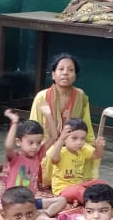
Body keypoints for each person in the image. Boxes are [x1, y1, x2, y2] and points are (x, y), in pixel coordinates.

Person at [29, 53, 96, 187]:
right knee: (51, 153)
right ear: (53, 75)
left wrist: (91, 144)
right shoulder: (42, 97)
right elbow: (33, 127)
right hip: (48, 141)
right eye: (61, 69)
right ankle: (50, 181)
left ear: (75, 76)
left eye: (70, 70)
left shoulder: (81, 96)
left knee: (90, 151)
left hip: (74, 141)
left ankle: (79, 180)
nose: (65, 73)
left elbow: (86, 124)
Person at [3, 109, 67, 220]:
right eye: (31, 143)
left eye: (38, 142)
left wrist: (48, 115)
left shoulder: (38, 155)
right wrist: (14, 122)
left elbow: (54, 136)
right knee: (23, 211)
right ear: (18, 142)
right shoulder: (15, 157)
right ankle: (36, 216)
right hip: (14, 202)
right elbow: (8, 146)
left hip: (31, 201)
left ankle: (42, 214)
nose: (35, 147)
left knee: (62, 200)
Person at [47, 118, 106, 205]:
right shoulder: (61, 152)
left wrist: (99, 146)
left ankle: (80, 199)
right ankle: (94, 204)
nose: (79, 142)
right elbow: (54, 159)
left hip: (79, 185)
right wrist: (61, 140)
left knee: (101, 183)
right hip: (62, 189)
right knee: (78, 191)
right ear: (65, 138)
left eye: (83, 139)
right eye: (74, 138)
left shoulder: (83, 149)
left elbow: (97, 155)